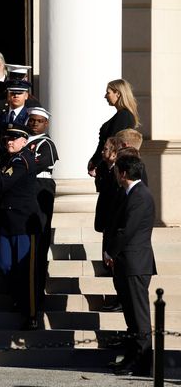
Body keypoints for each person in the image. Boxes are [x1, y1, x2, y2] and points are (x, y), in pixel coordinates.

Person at [0, 124, 41, 330]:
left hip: (23, 223)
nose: (9, 142)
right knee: (4, 265)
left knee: (25, 271)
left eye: (15, 139)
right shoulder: (10, 157)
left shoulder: (22, 160)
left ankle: (31, 314)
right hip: (7, 222)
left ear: (24, 141)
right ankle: (18, 299)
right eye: (8, 138)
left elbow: (1, 184)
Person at [105, 155, 156, 376]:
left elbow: (128, 229)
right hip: (126, 263)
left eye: (117, 171)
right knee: (131, 317)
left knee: (139, 317)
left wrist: (110, 252)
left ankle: (142, 362)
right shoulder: (129, 193)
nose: (116, 174)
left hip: (136, 263)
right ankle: (131, 358)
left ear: (123, 173)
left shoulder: (140, 195)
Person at [26, 107, 59, 309]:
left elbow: (40, 163)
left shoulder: (47, 144)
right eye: (32, 121)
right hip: (26, 189)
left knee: (39, 237)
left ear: (46, 124)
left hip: (40, 187)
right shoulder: (22, 139)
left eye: (39, 121)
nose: (35, 124)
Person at [88, 79, 140, 177]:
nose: (105, 96)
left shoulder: (123, 116)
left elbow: (110, 142)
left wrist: (95, 162)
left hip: (113, 169)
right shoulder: (124, 115)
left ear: (118, 94)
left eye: (108, 93)